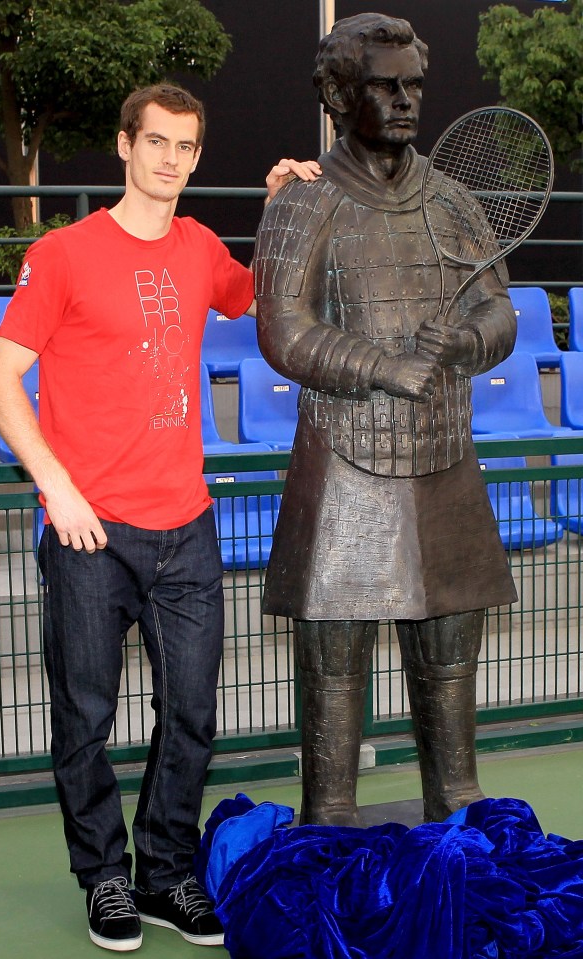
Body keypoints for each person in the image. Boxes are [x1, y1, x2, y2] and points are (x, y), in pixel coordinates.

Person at [0, 83, 320, 953]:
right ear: (125, 144)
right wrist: (55, 486)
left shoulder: (201, 246)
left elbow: (258, 296)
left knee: (193, 713)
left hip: (186, 525)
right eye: (156, 142)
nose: (171, 160)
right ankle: (103, 877)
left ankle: (166, 872)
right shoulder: (63, 255)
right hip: (89, 531)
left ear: (198, 157)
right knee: (85, 718)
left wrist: (280, 214)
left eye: (186, 147)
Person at [253, 14, 518, 829]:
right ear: (339, 94)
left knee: (449, 646)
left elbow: (501, 310)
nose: (406, 101)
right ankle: (330, 812)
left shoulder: (452, 197)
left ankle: (457, 799)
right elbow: (283, 331)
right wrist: (382, 365)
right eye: (385, 85)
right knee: (335, 655)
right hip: (344, 455)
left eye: (414, 87)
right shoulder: (304, 204)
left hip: (443, 447)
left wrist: (466, 340)